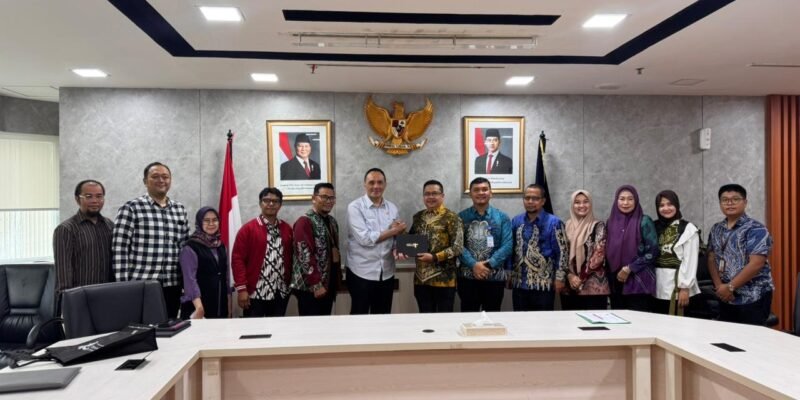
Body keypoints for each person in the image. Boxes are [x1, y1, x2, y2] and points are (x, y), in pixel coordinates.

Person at [112, 162, 189, 318]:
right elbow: (120, 249)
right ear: (145, 181)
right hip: (141, 285)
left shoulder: (179, 209)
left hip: (172, 285)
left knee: (170, 328)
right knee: (143, 329)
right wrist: (123, 286)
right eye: (155, 176)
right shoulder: (131, 208)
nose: (161, 180)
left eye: (165, 177)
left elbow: (184, 248)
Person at [707, 184, 774, 325]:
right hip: (725, 295)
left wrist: (730, 287)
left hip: (753, 295)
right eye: (725, 200)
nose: (730, 203)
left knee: (751, 336)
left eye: (735, 199)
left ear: (745, 202)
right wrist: (720, 287)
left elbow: (756, 264)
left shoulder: (756, 229)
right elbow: (711, 258)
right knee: (727, 336)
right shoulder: (716, 229)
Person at [346, 168, 406, 314]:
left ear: (385, 184)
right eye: (371, 182)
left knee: (383, 317)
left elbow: (395, 238)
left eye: (380, 182)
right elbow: (365, 239)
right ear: (364, 184)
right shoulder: (355, 207)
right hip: (361, 272)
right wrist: (393, 231)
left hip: (386, 272)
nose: (376, 186)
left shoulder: (392, 208)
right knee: (359, 317)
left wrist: (397, 247)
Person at [232, 188, 294, 317]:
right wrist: (242, 289)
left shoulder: (286, 229)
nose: (271, 204)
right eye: (266, 200)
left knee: (277, 327)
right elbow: (238, 260)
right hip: (255, 291)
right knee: (254, 328)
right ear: (260, 203)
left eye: (275, 201)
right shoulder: (248, 229)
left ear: (280, 205)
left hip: (280, 291)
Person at [509, 184, 568, 311]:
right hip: (519, 284)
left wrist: (560, 278)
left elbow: (562, 252)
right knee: (519, 320)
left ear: (543, 201)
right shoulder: (516, 221)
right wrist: (509, 273)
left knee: (542, 321)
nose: (530, 201)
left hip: (543, 285)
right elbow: (511, 250)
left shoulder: (554, 223)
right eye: (527, 198)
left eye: (535, 198)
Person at [407, 180, 463, 313]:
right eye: (427, 194)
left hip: (444, 280)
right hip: (421, 280)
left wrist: (434, 257)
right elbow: (411, 242)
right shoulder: (418, 217)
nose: (430, 197)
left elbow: (457, 248)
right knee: (425, 319)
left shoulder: (452, 218)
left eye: (435, 193)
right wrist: (399, 232)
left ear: (442, 196)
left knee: (443, 321)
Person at [53, 180, 114, 300]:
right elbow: (63, 272)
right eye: (88, 196)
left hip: (107, 296)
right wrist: (67, 301)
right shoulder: (66, 229)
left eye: (99, 196)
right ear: (77, 199)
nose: (95, 201)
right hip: (80, 299)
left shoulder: (110, 225)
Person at [458, 178, 513, 311]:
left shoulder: (502, 217)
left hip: (494, 278)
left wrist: (488, 265)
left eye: (484, 189)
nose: (481, 193)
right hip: (468, 278)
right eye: (476, 190)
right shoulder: (461, 217)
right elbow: (458, 245)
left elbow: (508, 245)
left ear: (491, 193)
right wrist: (474, 265)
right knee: (469, 317)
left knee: (492, 318)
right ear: (470, 194)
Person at [605, 185, 658, 312]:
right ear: (616, 200)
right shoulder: (610, 222)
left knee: (638, 319)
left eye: (630, 199)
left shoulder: (644, 221)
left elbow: (653, 251)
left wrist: (630, 268)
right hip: (615, 280)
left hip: (638, 279)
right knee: (618, 318)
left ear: (636, 200)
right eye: (622, 199)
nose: (625, 203)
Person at [292, 183, 341, 316]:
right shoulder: (304, 221)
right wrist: (316, 284)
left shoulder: (332, 221)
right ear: (314, 198)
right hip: (311, 287)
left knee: (325, 324)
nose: (328, 201)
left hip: (328, 284)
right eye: (324, 197)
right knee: (311, 325)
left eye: (332, 198)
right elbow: (304, 256)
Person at [557, 190, 610, 311]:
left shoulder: (598, 226)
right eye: (577, 202)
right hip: (569, 288)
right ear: (572, 205)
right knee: (571, 322)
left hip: (593, 288)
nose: (581, 205)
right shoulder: (566, 226)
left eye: (586, 202)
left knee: (594, 322)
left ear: (591, 204)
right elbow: (561, 254)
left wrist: (580, 278)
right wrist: (570, 276)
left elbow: (599, 255)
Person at [652, 190, 701, 316]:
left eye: (670, 204)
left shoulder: (688, 228)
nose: (666, 208)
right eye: (661, 205)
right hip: (657, 286)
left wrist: (684, 287)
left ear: (677, 205)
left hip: (678, 286)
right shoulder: (654, 226)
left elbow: (690, 260)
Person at [179, 207, 229, 319]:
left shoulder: (220, 245)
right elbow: (189, 280)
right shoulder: (190, 247)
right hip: (198, 306)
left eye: (214, 220)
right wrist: (199, 307)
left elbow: (225, 276)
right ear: (199, 222)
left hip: (220, 305)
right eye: (206, 220)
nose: (211, 224)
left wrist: (228, 304)